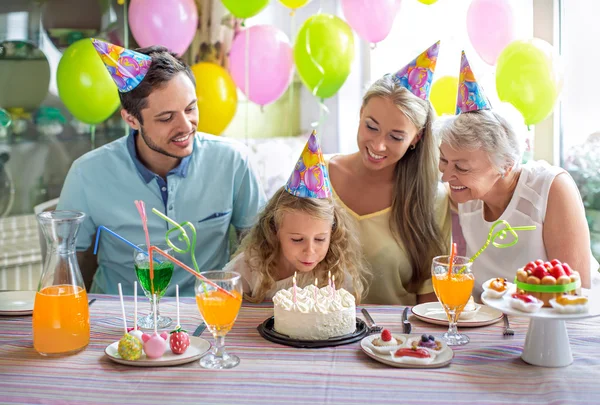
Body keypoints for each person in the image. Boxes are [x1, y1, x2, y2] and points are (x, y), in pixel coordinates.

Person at [57, 39, 266, 296]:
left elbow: (260, 250)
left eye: (190, 108)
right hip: (121, 318)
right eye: (166, 118)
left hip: (207, 313)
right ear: (131, 119)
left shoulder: (233, 161)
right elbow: (67, 268)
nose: (186, 125)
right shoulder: (86, 174)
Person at [437, 51, 598, 299]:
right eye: (444, 161)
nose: (446, 176)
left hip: (558, 327)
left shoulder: (551, 188)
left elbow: (575, 291)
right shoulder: (466, 195)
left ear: (506, 164)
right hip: (494, 328)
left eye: (461, 167)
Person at [327, 42, 451, 305]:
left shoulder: (432, 197)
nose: (378, 145)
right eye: (371, 127)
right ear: (361, 114)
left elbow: (429, 298)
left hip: (394, 339)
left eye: (396, 136)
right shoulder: (318, 176)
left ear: (416, 138)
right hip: (315, 335)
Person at [224, 132, 370, 303]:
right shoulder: (250, 267)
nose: (310, 251)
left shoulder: (336, 271)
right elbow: (224, 305)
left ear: (333, 232)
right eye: (297, 239)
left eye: (320, 239)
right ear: (274, 230)